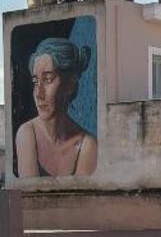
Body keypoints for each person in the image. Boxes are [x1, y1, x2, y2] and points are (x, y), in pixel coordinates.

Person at [14, 36, 98, 177]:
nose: (39, 94)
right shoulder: (27, 133)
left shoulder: (88, 145)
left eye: (48, 79)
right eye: (35, 82)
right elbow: (30, 196)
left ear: (70, 84)